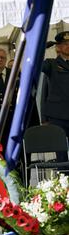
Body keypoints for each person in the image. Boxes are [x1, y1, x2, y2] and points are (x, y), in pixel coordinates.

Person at [41, 31, 69, 162]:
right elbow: (36, 65)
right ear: (58, 47)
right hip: (58, 116)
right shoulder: (51, 64)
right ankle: (64, 181)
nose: (68, 45)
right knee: (61, 155)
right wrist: (41, 48)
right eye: (64, 44)